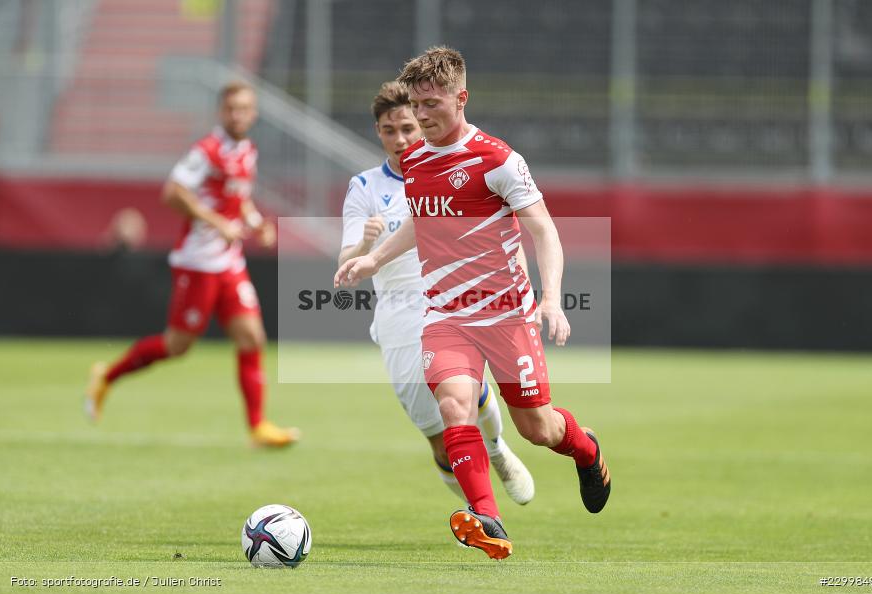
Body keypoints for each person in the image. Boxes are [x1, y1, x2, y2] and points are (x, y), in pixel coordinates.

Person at [335, 48, 610, 559]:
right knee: (453, 404)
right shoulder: (415, 161)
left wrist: (551, 298)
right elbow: (423, 220)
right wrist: (375, 260)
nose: (420, 116)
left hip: (506, 315)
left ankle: (587, 449)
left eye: (431, 104)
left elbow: (544, 231)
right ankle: (489, 518)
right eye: (415, 105)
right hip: (445, 316)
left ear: (461, 98)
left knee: (537, 427)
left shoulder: (499, 160)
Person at [338, 81, 534, 504]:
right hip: (399, 317)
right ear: (378, 132)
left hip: (455, 303)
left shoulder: (453, 168)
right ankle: (478, 487)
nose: (401, 138)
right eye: (390, 130)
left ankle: (495, 457)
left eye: (408, 127)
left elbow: (498, 228)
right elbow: (346, 263)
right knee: (439, 440)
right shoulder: (366, 188)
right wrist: (364, 246)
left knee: (465, 394)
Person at [85, 81, 298, 447]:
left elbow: (238, 200)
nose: (237, 115)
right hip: (197, 263)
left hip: (228, 262)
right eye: (231, 108)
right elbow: (172, 193)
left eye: (244, 108)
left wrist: (255, 224)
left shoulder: (247, 150)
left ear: (253, 113)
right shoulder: (207, 150)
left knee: (252, 338)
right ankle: (106, 375)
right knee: (177, 345)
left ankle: (257, 427)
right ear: (221, 112)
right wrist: (216, 223)